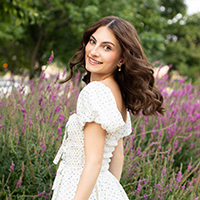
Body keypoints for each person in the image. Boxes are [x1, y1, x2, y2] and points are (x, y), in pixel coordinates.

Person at [51, 16, 164, 200]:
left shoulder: (96, 92)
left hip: (80, 188)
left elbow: (94, 162)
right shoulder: (116, 92)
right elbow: (117, 155)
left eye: (107, 47)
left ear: (121, 60)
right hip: (103, 186)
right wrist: (108, 191)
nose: (94, 51)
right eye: (93, 41)